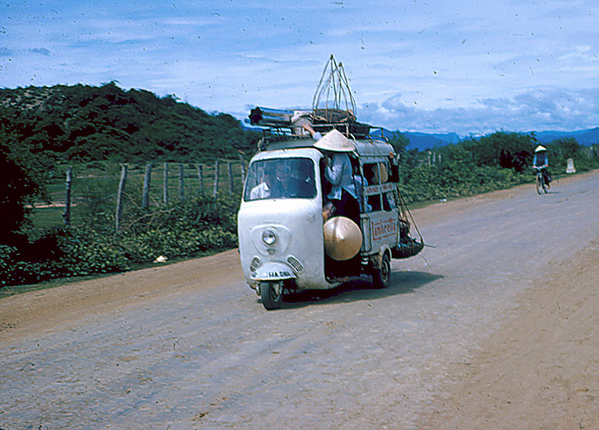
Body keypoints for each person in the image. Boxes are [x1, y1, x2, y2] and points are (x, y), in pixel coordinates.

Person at [313, 129, 360, 225]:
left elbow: (335, 179)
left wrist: (326, 166)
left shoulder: (338, 157)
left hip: (343, 196)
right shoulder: (342, 156)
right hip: (345, 194)